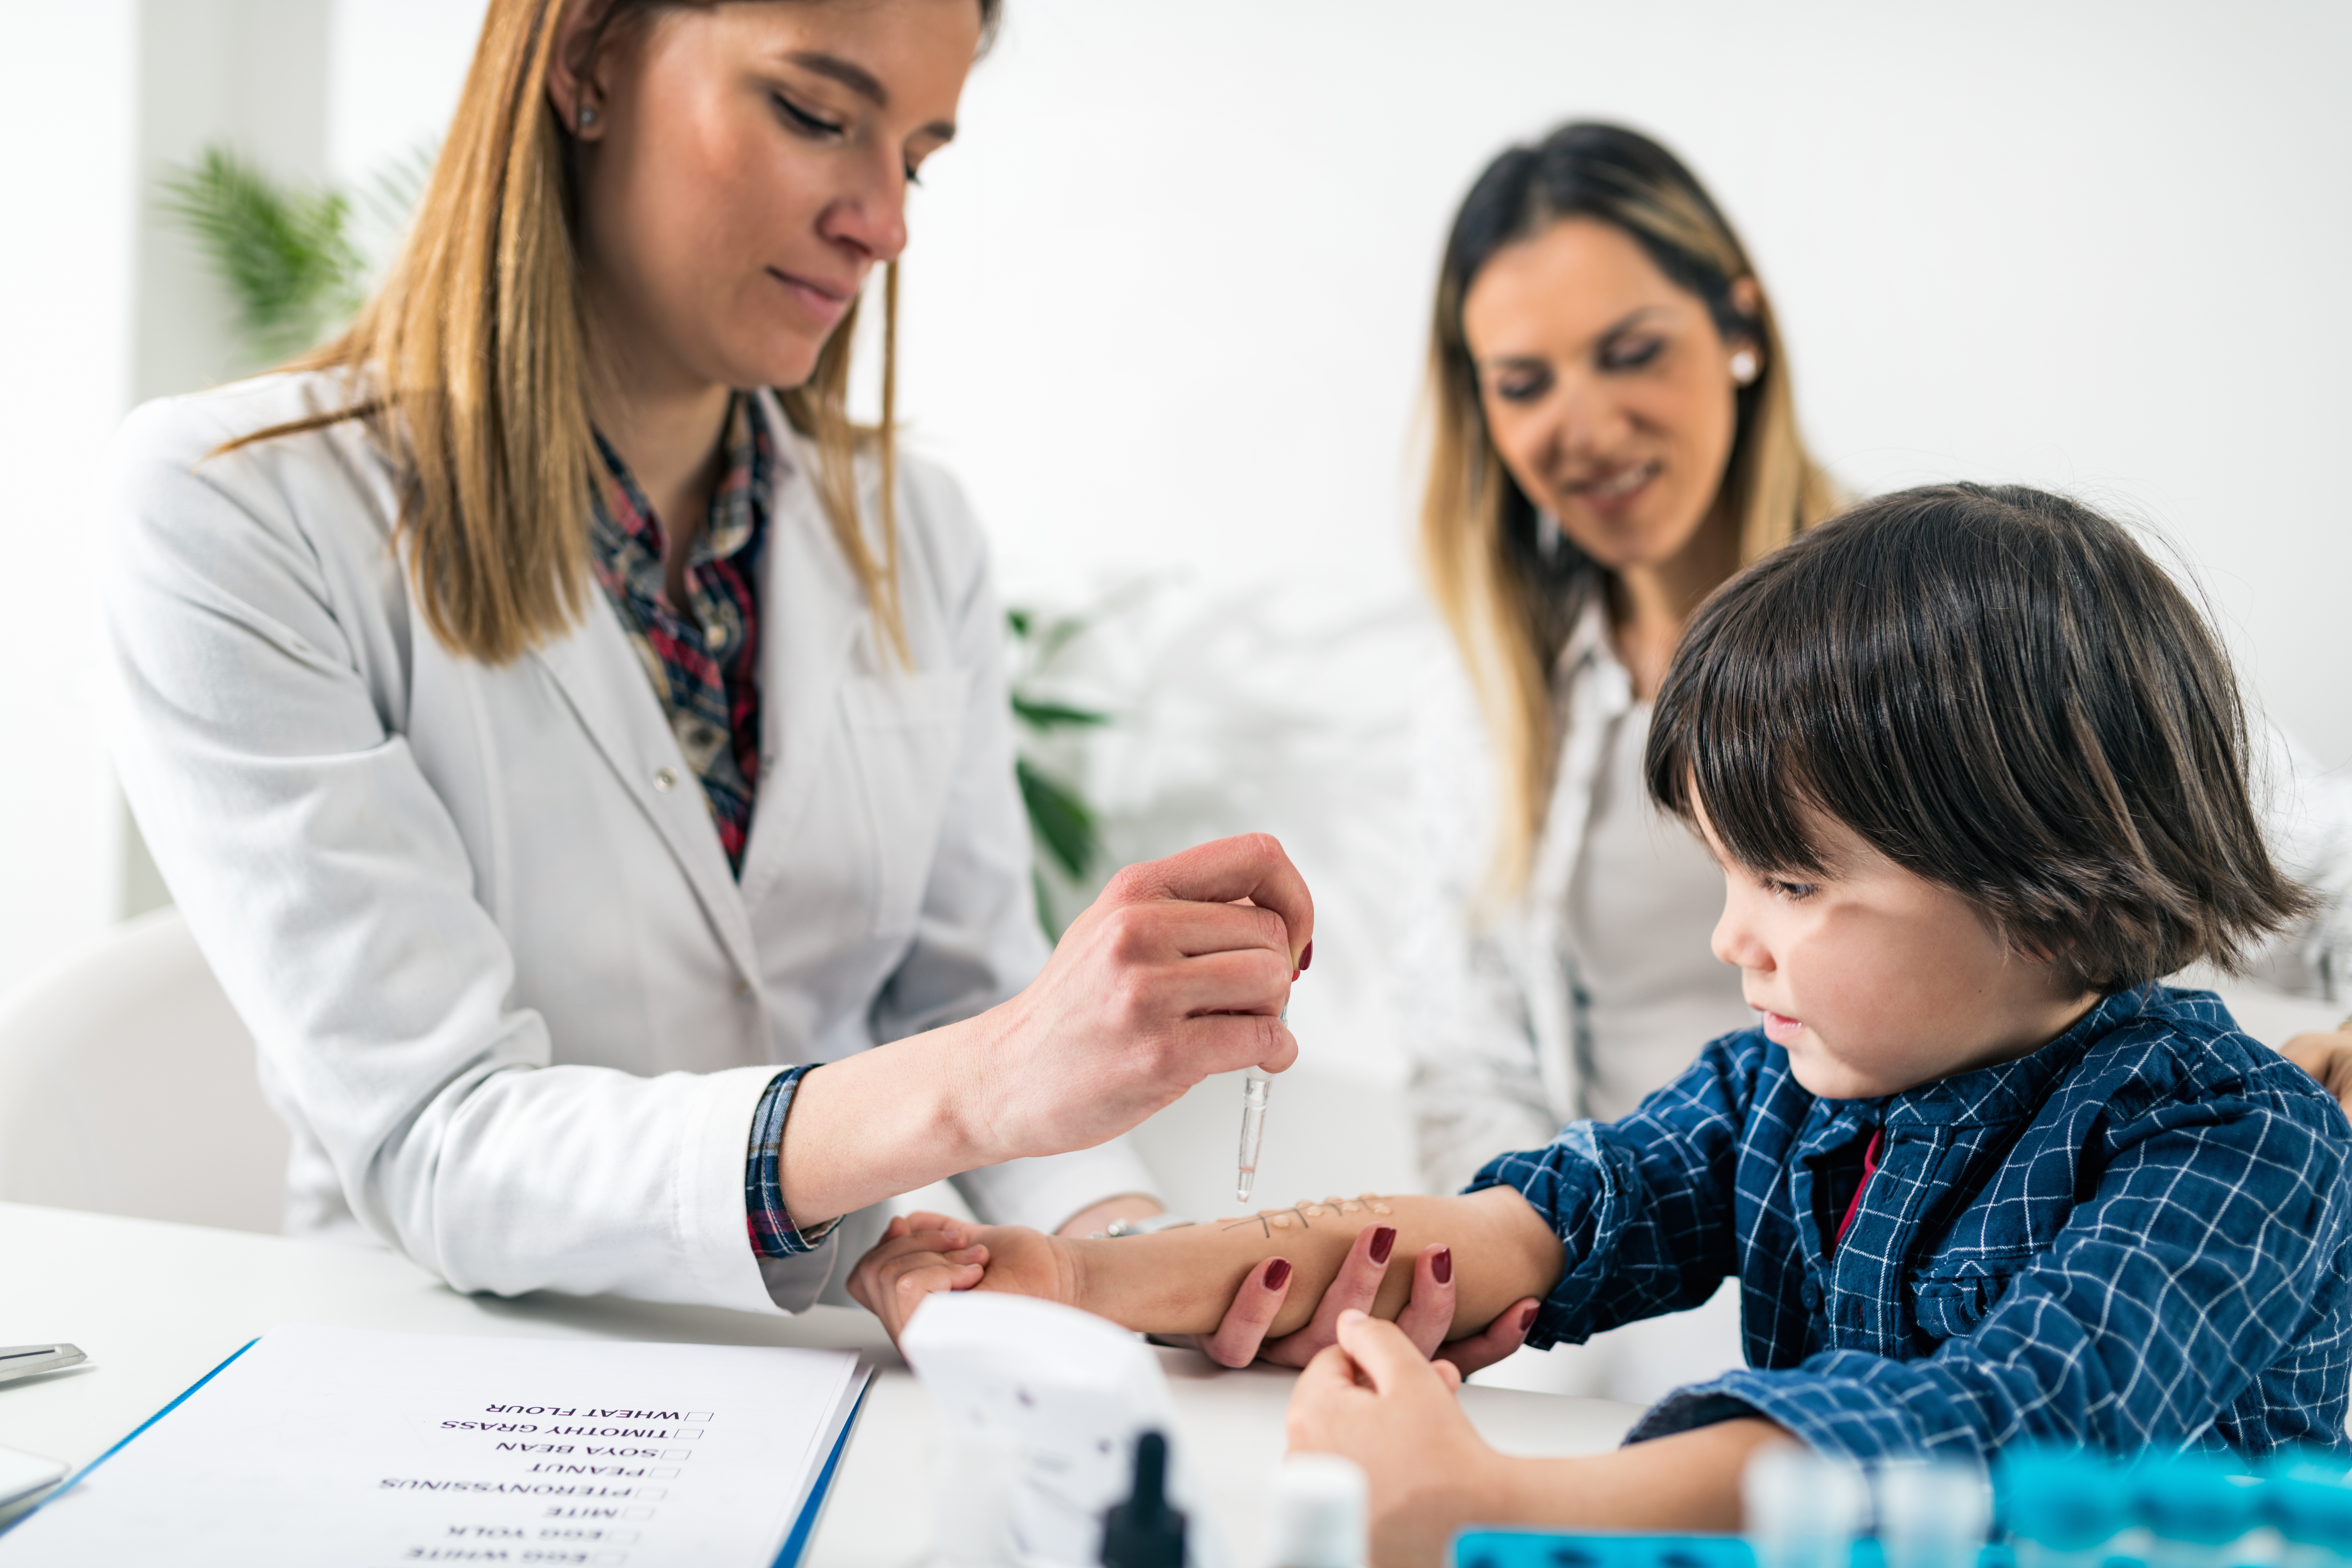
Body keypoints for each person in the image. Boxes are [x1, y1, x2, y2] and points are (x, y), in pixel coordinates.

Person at [856, 485, 2352, 1566]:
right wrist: (1087, 1277)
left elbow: (2001, 1425)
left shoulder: (2240, 1145)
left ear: (2059, 898)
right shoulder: (1787, 1088)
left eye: (1791, 880)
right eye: (1728, 874)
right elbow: (1512, 1228)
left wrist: (1489, 1499)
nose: (1731, 938)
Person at [103, 0, 1311, 1327]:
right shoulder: (242, 510)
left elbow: (960, 994)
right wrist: (971, 1082)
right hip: (446, 1377)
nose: (884, 224)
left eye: (913, 158)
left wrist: (1137, 1255)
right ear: (585, 63)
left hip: (848, 1369)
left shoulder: (917, 534)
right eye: (813, 115)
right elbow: (441, 1136)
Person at [1404, 121, 2352, 1206]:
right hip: (1630, 1276)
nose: (1585, 425)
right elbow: (1464, 1064)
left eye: (1632, 353)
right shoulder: (1476, 705)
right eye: (1524, 384)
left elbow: (2263, 848)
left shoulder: (1941, 630)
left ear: (1738, 332)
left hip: (1944, 1291)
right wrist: (1511, 1264)